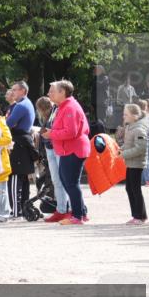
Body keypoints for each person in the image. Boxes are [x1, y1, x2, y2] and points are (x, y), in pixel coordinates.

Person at [42, 80, 90, 226]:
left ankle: (77, 216)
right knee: (68, 182)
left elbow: (71, 132)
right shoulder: (63, 106)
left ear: (62, 92)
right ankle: (81, 213)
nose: (49, 93)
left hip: (73, 150)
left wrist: (51, 134)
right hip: (67, 150)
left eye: (52, 91)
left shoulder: (69, 108)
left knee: (70, 183)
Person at [5, 81, 37, 219]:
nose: (12, 92)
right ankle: (23, 209)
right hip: (24, 142)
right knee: (23, 179)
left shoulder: (20, 106)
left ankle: (16, 211)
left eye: (15, 90)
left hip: (18, 143)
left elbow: (7, 124)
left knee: (14, 177)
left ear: (23, 91)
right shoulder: (27, 103)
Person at [36, 96, 70, 223]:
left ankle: (67, 209)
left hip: (57, 147)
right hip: (50, 147)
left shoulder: (58, 111)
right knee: (57, 181)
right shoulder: (51, 113)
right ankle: (61, 209)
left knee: (64, 180)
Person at [118, 103, 149, 224]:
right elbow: (129, 144)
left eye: (126, 114)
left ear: (134, 116)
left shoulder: (139, 129)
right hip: (130, 163)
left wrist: (124, 154)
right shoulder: (129, 126)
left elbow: (140, 149)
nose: (123, 116)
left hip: (137, 164)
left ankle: (140, 216)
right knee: (129, 188)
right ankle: (137, 215)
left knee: (135, 189)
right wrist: (121, 148)